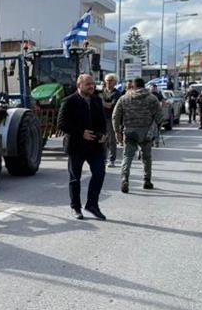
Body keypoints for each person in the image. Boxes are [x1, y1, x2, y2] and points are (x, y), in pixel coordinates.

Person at [57, 73, 107, 221]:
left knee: (99, 173)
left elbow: (102, 121)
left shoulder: (96, 100)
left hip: (95, 146)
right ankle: (76, 207)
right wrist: (80, 133)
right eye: (88, 84)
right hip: (76, 146)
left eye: (92, 84)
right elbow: (61, 124)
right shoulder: (69, 101)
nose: (92, 86)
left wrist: (103, 134)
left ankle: (92, 205)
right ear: (79, 85)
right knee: (75, 179)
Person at [113, 78, 162, 193]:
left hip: (129, 131)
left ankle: (125, 179)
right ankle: (147, 181)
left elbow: (115, 115)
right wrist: (156, 128)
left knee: (127, 156)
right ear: (144, 85)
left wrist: (117, 131)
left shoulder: (124, 98)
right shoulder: (152, 98)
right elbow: (159, 116)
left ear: (133, 86)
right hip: (146, 131)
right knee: (147, 157)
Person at [100, 74, 122, 168]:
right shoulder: (102, 92)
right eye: (107, 80)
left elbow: (111, 106)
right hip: (101, 118)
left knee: (111, 140)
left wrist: (101, 102)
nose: (108, 82)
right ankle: (103, 158)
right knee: (102, 139)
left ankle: (112, 159)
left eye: (111, 80)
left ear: (115, 82)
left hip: (111, 118)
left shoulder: (117, 93)